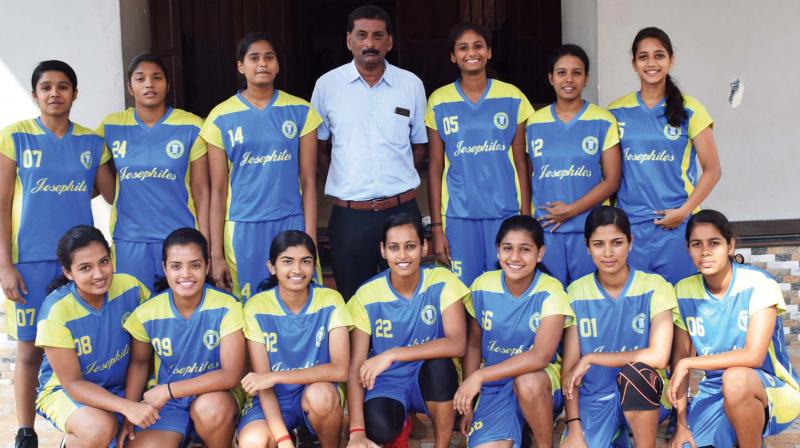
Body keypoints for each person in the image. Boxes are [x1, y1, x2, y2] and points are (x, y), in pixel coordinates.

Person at [0, 60, 115, 448]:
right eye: (46, 87)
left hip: (78, 262)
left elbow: (109, 191)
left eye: (63, 86)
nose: (54, 93)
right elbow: (1, 204)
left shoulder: (91, 143)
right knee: (30, 348)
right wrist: (5, 265)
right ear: (35, 95)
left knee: (76, 345)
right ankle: (25, 430)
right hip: (30, 261)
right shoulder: (15, 137)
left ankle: (81, 422)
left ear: (74, 94)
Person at [311, 5, 427, 301]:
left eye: (378, 36)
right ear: (349, 40)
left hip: (402, 209)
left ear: (389, 42)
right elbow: (319, 148)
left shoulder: (410, 84)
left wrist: (396, 176)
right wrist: (346, 179)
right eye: (362, 35)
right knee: (354, 299)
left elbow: (420, 146)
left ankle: (401, 349)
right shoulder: (327, 86)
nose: (370, 43)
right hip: (351, 216)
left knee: (407, 295)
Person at [202, 33, 320, 300]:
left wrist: (310, 238)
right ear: (241, 66)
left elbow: (310, 182)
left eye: (269, 57)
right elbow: (218, 189)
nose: (262, 64)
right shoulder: (221, 117)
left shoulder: (301, 111)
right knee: (249, 306)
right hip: (243, 227)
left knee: (297, 300)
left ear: (278, 65)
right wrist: (216, 254)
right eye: (254, 58)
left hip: (290, 221)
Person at [669, 210, 800, 448]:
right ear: (688, 249)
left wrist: (689, 362)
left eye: (714, 243)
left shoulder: (759, 283)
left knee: (735, 378)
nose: (705, 251)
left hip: (769, 387)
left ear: (730, 245)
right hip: (713, 391)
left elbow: (753, 356)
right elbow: (680, 362)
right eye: (696, 244)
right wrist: (681, 425)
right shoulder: (683, 290)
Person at [608, 27, 721, 285]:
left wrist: (684, 212)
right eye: (643, 56)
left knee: (678, 303)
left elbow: (713, 169)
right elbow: (610, 174)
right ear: (634, 64)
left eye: (659, 56)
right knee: (637, 305)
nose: (651, 63)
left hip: (676, 226)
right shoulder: (616, 111)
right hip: (631, 226)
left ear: (671, 60)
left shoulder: (691, 109)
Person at [346, 213, 467, 448]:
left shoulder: (442, 280)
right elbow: (355, 367)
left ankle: (441, 445)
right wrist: (356, 432)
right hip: (387, 381)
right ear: (383, 250)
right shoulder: (367, 294)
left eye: (410, 246)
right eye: (394, 247)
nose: (402, 255)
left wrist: (392, 354)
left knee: (441, 367)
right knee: (379, 429)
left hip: (428, 375)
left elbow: (457, 343)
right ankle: (402, 422)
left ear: (424, 247)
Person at [426, 23, 533, 287]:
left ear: (489, 52)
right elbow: (435, 167)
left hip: (505, 212)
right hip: (459, 216)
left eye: (478, 46)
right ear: (453, 56)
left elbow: (522, 162)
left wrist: (526, 216)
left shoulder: (512, 97)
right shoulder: (439, 100)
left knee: (504, 287)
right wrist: (437, 228)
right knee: (463, 292)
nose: (471, 52)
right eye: (463, 48)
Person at [561, 206, 677, 447]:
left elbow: (658, 356)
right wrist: (573, 424)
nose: (608, 253)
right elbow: (571, 370)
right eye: (598, 244)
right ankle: (616, 436)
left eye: (617, 242)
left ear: (630, 242)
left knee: (636, 374)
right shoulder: (575, 292)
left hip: (647, 395)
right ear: (587, 246)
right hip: (594, 398)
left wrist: (593, 357)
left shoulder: (655, 286)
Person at [453, 215, 573, 447]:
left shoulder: (551, 290)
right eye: (507, 248)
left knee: (527, 382)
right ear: (498, 250)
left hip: (541, 383)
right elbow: (474, 345)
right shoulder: (482, 285)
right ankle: (517, 431)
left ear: (540, 253)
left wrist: (479, 376)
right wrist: (469, 400)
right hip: (495, 387)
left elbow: (541, 357)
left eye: (525, 249)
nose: (515, 257)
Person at [121, 228, 245, 448]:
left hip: (215, 395)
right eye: (176, 266)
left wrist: (169, 390)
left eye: (195, 265)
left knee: (210, 409)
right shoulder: (147, 312)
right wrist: (129, 413)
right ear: (164, 268)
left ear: (207, 266)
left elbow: (231, 375)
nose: (185, 274)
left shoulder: (227, 306)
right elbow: (139, 364)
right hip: (169, 403)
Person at [97, 53, 210, 291]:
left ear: (167, 84)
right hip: (130, 240)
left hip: (180, 239)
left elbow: (201, 191)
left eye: (157, 78)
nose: (149, 84)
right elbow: (85, 158)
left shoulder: (190, 126)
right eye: (141, 78)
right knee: (134, 315)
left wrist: (206, 244)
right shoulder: (112, 126)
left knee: (179, 311)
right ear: (130, 87)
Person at [35, 225, 155, 447]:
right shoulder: (57, 311)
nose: (99, 274)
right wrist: (126, 407)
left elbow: (141, 360)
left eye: (103, 261)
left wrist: (130, 407)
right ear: (68, 272)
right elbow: (72, 383)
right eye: (85, 268)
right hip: (67, 391)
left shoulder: (131, 288)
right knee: (98, 428)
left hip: (121, 387)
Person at [237, 230, 351, 448]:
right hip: (273, 399)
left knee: (322, 396)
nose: (297, 270)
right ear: (272, 266)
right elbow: (263, 384)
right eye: (287, 261)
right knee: (253, 442)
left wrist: (276, 376)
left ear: (314, 266)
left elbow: (340, 370)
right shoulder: (256, 307)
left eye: (305, 261)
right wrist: (282, 439)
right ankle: (294, 435)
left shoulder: (330, 300)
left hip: (317, 393)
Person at [526, 44, 621, 286]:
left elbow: (612, 180)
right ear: (551, 78)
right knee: (552, 302)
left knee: (588, 299)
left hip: (591, 231)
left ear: (586, 78)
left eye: (576, 73)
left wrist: (572, 210)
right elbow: (526, 177)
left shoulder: (602, 120)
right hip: (547, 230)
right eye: (561, 73)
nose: (569, 79)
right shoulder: (534, 123)